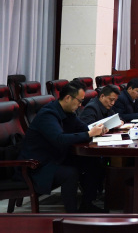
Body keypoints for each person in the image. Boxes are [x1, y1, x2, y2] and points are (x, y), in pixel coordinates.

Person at [17, 80, 107, 213]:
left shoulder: (67, 112)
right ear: (68, 98)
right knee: (70, 173)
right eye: (79, 101)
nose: (80, 105)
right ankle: (72, 215)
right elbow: (60, 139)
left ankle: (87, 205)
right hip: (38, 165)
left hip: (56, 157)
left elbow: (82, 128)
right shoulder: (48, 114)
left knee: (92, 162)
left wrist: (97, 129)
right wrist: (89, 134)